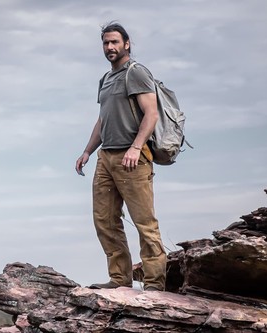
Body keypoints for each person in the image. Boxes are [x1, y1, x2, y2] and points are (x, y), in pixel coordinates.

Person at [75, 22, 166, 291]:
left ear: (127, 43)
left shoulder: (136, 73)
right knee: (104, 219)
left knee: (144, 223)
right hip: (106, 157)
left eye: (115, 42)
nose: (110, 47)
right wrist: (87, 151)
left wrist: (136, 147)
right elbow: (102, 120)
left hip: (133, 158)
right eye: (106, 43)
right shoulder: (105, 79)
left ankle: (154, 285)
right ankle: (119, 280)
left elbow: (151, 114)